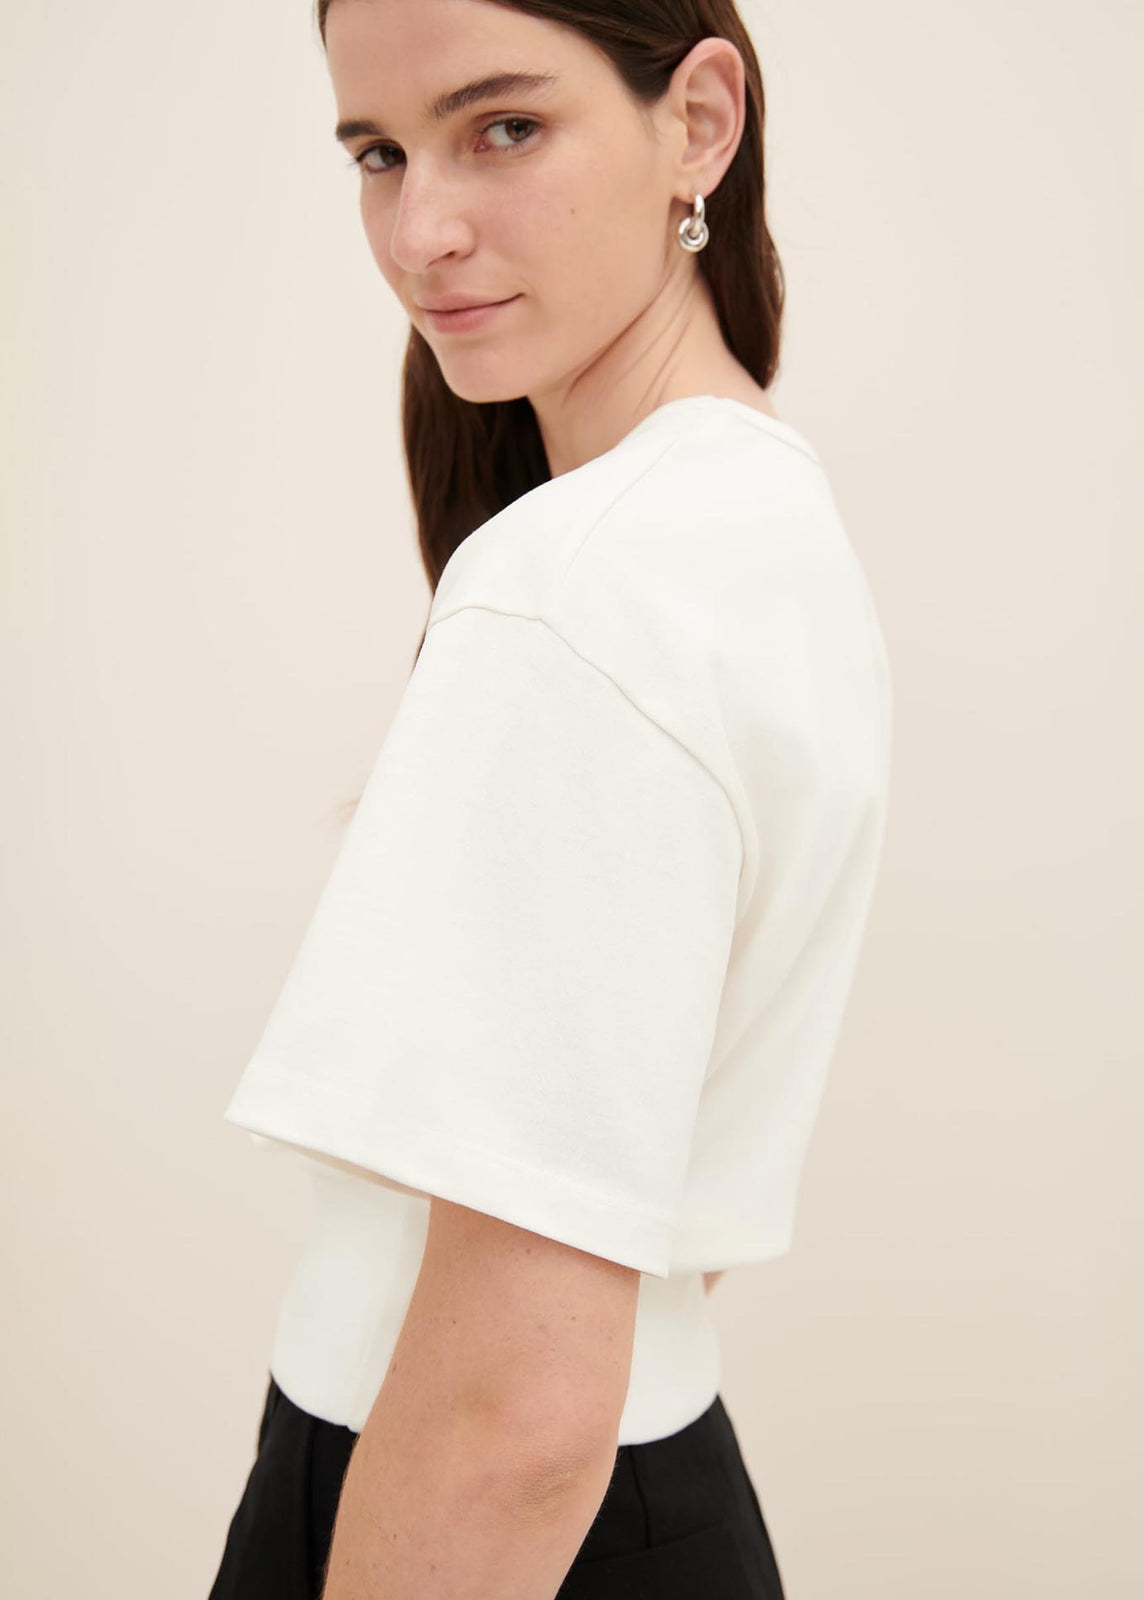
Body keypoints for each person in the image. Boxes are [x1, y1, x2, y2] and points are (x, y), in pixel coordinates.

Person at [210, 1, 892, 1596]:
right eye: (378, 152)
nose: (419, 228)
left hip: (482, 1511)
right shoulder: (763, 521)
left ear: (700, 121)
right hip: (651, 1501)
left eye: (502, 128)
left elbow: (515, 1416)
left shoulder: (574, 585)